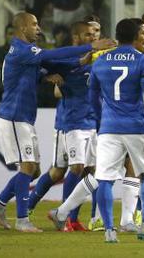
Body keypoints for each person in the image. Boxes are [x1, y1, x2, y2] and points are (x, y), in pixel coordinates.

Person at [0, 12, 113, 232]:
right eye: (34, 24)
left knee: (34, 171)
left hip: (24, 117)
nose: (38, 28)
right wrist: (90, 48)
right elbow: (53, 55)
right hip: (14, 115)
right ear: (23, 28)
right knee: (29, 167)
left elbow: (48, 64)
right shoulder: (22, 50)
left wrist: (47, 75)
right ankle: (22, 220)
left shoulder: (26, 54)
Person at [55, 19, 144, 243]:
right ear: (134, 36)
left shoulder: (101, 62)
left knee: (104, 179)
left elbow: (93, 97)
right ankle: (143, 226)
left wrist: (100, 120)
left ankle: (109, 231)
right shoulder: (142, 61)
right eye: (142, 32)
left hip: (109, 128)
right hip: (137, 127)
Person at [27, 21, 97, 232]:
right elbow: (36, 68)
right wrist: (47, 76)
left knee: (90, 172)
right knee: (66, 170)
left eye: (96, 33)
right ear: (76, 38)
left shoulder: (99, 59)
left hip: (92, 122)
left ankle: (71, 218)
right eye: (88, 34)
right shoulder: (63, 59)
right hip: (70, 122)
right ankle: (39, 210)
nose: (93, 37)